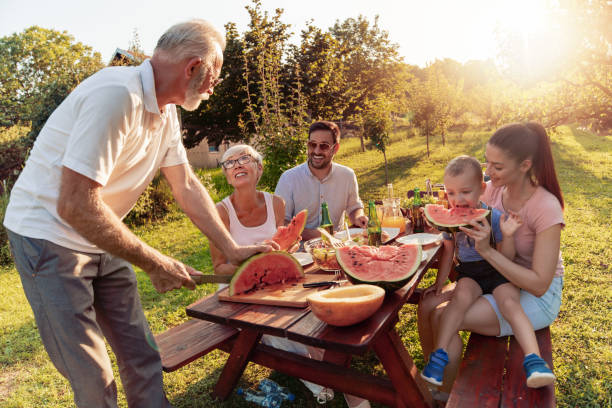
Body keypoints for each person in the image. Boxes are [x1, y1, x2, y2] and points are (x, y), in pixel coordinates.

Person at [3, 20, 272, 408]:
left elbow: (186, 185)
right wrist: (155, 261)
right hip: (48, 237)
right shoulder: (116, 96)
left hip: (99, 230)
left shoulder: (166, 110)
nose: (216, 84)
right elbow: (74, 204)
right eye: (215, 72)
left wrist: (230, 248)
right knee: (93, 379)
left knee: (142, 355)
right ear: (193, 67)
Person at [210, 144, 369, 408]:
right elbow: (219, 268)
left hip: (280, 285)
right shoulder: (220, 212)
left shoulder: (276, 203)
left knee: (320, 321)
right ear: (227, 175)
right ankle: (332, 385)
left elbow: (282, 247)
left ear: (259, 168)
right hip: (238, 291)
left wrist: (287, 250)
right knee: (281, 327)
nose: (236, 164)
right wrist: (257, 263)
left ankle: (337, 381)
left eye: (244, 158)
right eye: (229, 162)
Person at [417, 122, 564, 402]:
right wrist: (443, 211)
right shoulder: (495, 188)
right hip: (496, 274)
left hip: (536, 292)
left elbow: (538, 283)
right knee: (426, 304)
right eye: (487, 162)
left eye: (496, 166)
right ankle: (436, 380)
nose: (488, 171)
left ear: (524, 165)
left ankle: (447, 396)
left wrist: (486, 251)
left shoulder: (546, 207)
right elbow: (464, 186)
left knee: (440, 315)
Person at [275, 121, 368, 241]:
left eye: (324, 146)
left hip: (337, 246)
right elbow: (282, 222)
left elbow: (354, 207)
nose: (317, 151)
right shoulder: (288, 179)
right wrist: (319, 235)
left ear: (336, 148)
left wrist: (358, 217)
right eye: (312, 144)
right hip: (300, 250)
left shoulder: (347, 175)